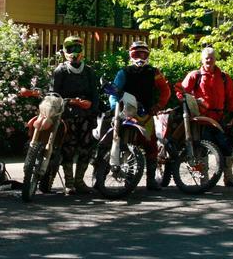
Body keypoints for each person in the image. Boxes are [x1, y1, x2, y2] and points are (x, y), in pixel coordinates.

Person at [175, 46, 233, 186]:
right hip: (200, 120)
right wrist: (189, 100)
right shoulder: (195, 75)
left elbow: (232, 98)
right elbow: (180, 90)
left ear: (215, 59)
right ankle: (203, 178)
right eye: (206, 57)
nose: (209, 59)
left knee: (227, 146)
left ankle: (229, 177)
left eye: (212, 57)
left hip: (219, 119)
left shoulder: (224, 77)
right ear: (202, 59)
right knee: (201, 149)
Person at [111, 40, 171, 190]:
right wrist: (114, 108)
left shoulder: (154, 72)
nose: (140, 57)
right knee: (118, 142)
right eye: (136, 53)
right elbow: (113, 92)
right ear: (131, 55)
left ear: (148, 55)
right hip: (127, 113)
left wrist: (158, 105)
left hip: (146, 115)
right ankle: (124, 177)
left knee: (151, 146)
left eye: (143, 54)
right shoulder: (123, 72)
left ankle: (150, 181)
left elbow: (166, 90)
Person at [49, 36, 100, 194]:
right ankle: (69, 183)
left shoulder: (90, 72)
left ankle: (79, 181)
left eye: (77, 49)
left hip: (87, 116)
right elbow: (53, 95)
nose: (74, 53)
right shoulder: (60, 71)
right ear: (65, 51)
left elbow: (95, 95)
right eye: (70, 49)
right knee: (68, 148)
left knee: (86, 147)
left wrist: (91, 107)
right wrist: (71, 101)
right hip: (67, 116)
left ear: (83, 51)